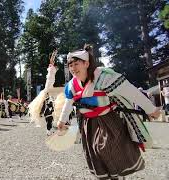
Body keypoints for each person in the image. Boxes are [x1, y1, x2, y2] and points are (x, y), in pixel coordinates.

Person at [54, 44, 160, 179]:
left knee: (106, 148)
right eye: (70, 65)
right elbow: (68, 103)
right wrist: (62, 121)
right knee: (94, 153)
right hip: (88, 124)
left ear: (86, 63)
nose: (73, 68)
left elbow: (132, 92)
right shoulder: (71, 86)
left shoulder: (105, 78)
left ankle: (117, 176)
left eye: (76, 64)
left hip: (108, 121)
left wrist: (151, 109)